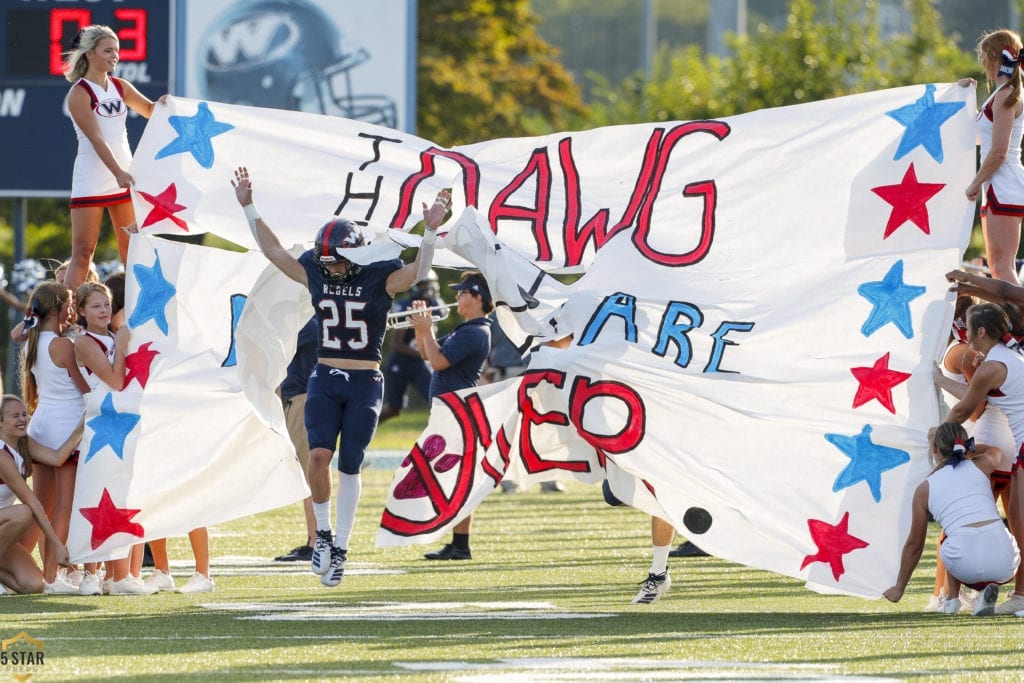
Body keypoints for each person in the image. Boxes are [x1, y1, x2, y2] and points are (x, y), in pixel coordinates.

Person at [230, 165, 448, 587]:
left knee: (350, 464)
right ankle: (324, 535)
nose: (329, 270)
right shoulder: (316, 267)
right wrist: (249, 208)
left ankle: (342, 545)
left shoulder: (377, 275)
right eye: (325, 263)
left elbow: (418, 273)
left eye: (336, 263)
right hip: (325, 375)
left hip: (366, 379)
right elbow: (276, 253)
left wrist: (430, 232)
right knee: (317, 456)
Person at [63, 24, 166, 289]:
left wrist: (168, 105)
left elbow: (150, 111)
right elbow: (97, 139)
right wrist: (117, 172)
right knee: (84, 252)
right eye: (108, 50)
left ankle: (134, 314)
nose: (115, 56)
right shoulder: (79, 93)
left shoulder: (120, 86)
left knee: (131, 248)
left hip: (125, 175)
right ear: (89, 53)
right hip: (93, 177)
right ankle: (66, 319)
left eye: (117, 51)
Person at [939, 301, 1024, 615]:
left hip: (1011, 446)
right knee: (1016, 520)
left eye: (969, 326)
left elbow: (965, 410)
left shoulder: (990, 365)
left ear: (982, 331)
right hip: (1014, 449)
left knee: (969, 518)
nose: (965, 331)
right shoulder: (1008, 355)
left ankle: (954, 598)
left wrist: (940, 434)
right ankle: (1015, 595)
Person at [884, 422, 1020, 616]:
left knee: (950, 537)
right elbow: (996, 450)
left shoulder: (924, 489)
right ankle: (984, 590)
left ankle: (952, 600)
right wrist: (969, 450)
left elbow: (914, 544)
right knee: (980, 538)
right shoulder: (982, 464)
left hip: (964, 563)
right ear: (965, 445)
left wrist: (899, 587)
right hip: (1006, 565)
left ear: (935, 449)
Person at [414, 271, 494, 561]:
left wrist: (426, 330)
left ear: (478, 298)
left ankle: (460, 544)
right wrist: (421, 329)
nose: (457, 296)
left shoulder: (476, 332)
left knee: (457, 479)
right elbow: (425, 353)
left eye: (463, 292)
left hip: (458, 413)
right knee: (453, 478)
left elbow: (437, 361)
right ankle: (459, 544)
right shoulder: (466, 329)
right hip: (450, 411)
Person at [18, 281, 89, 594]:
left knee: (42, 506)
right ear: (59, 308)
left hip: (43, 424)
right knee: (63, 506)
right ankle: (51, 576)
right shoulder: (62, 345)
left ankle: (17, 564)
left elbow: (18, 332)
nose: (73, 311)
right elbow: (83, 386)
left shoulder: (32, 340)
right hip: (65, 426)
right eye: (69, 304)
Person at [959, 29, 1024, 285]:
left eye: (985, 55)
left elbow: (999, 151)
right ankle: (1010, 323)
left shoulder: (1008, 93)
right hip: (998, 182)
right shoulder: (1001, 93)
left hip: (1003, 180)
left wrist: (975, 182)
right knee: (998, 268)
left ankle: (1016, 324)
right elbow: (979, 138)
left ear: (996, 56)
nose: (983, 62)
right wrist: (964, 99)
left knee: (1001, 267)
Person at [0, 395, 83, 594]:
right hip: (6, 521)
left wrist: (82, 425)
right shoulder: (2, 457)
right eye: (14, 416)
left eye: (23, 414)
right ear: (1, 423)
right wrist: (57, 544)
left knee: (33, 585)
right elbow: (32, 501)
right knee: (23, 513)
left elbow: (57, 458)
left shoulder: (22, 444)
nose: (22, 419)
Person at [273, 317, 319, 563]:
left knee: (309, 473)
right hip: (298, 398)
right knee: (306, 472)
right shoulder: (304, 322)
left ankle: (317, 541)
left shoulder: (306, 324)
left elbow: (277, 350)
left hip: (303, 400)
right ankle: (315, 538)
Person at [380, 272, 440, 424]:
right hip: (401, 363)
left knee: (437, 401)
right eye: (424, 284)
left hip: (420, 363)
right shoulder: (407, 307)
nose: (429, 288)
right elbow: (397, 345)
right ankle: (363, 430)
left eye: (430, 284)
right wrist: (426, 353)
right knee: (394, 409)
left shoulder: (436, 304)